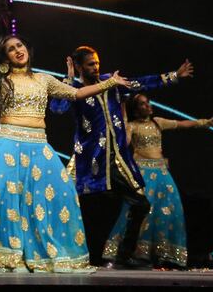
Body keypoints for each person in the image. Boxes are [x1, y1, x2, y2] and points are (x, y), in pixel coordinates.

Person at [0, 35, 131, 273]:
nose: (17, 50)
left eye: (19, 45)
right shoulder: (1, 82)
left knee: (61, 192)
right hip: (8, 142)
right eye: (11, 49)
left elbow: (77, 94)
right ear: (5, 58)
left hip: (39, 145)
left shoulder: (44, 80)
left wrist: (109, 83)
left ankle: (47, 254)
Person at [49, 46, 193, 267]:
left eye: (97, 63)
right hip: (88, 162)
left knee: (141, 204)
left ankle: (124, 256)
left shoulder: (112, 83)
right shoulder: (75, 88)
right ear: (78, 66)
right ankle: (70, 255)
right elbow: (57, 108)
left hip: (116, 160)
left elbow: (141, 83)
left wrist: (173, 76)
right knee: (77, 209)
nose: (96, 67)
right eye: (90, 64)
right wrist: (68, 77)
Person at [103, 93, 213, 268]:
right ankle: (130, 253)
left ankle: (164, 253)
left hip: (162, 174)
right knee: (142, 212)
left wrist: (202, 123)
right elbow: (123, 144)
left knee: (170, 210)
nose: (147, 105)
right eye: (142, 104)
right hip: (143, 173)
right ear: (136, 109)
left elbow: (181, 124)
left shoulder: (158, 122)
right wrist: (124, 121)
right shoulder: (132, 126)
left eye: (147, 102)